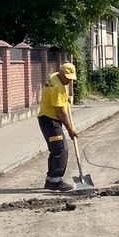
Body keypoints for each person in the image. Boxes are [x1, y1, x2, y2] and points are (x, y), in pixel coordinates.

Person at [38, 62, 79, 191]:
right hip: (51, 121)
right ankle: (56, 182)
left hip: (46, 119)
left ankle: (50, 181)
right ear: (61, 73)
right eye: (67, 78)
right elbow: (60, 112)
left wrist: (65, 98)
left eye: (71, 78)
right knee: (61, 150)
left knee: (55, 150)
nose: (69, 81)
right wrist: (70, 129)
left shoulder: (54, 76)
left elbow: (57, 97)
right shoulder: (57, 87)